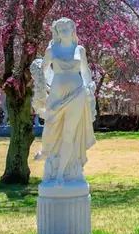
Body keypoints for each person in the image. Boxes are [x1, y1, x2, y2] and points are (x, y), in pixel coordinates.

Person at [34, 18, 96, 185]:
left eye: (66, 29)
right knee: (50, 125)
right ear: (57, 32)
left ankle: (61, 174)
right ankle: (47, 151)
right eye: (60, 30)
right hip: (57, 93)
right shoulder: (52, 50)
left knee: (69, 132)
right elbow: (43, 71)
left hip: (77, 93)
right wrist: (44, 87)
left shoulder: (79, 50)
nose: (64, 32)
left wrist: (90, 86)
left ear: (72, 29)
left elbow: (85, 71)